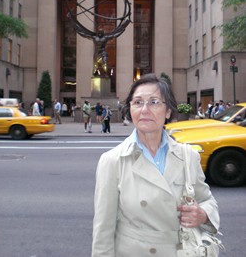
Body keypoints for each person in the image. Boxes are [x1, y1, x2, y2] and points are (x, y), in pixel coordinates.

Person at [92, 73, 220, 257]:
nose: (144, 109)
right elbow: (103, 230)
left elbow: (207, 200)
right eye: (137, 102)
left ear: (168, 111)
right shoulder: (113, 160)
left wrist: (203, 214)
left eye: (154, 102)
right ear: (130, 110)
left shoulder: (188, 156)